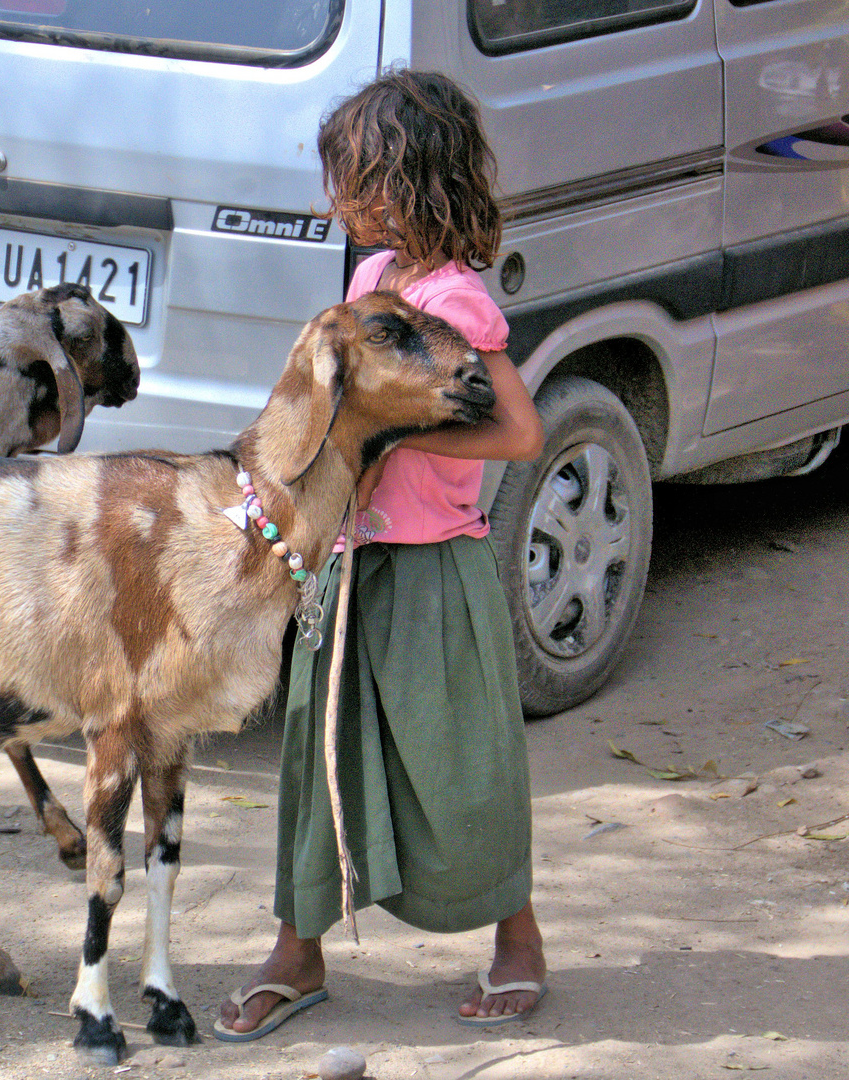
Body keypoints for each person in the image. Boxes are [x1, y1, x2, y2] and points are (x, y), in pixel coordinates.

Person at [215, 68, 549, 1041]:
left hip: (430, 569)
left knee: (462, 770)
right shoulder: (371, 282)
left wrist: (395, 439)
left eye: (354, 184)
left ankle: (517, 940)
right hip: (346, 565)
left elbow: (518, 432)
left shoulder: (454, 302)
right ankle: (297, 951)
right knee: (318, 761)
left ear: (412, 183)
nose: (336, 204)